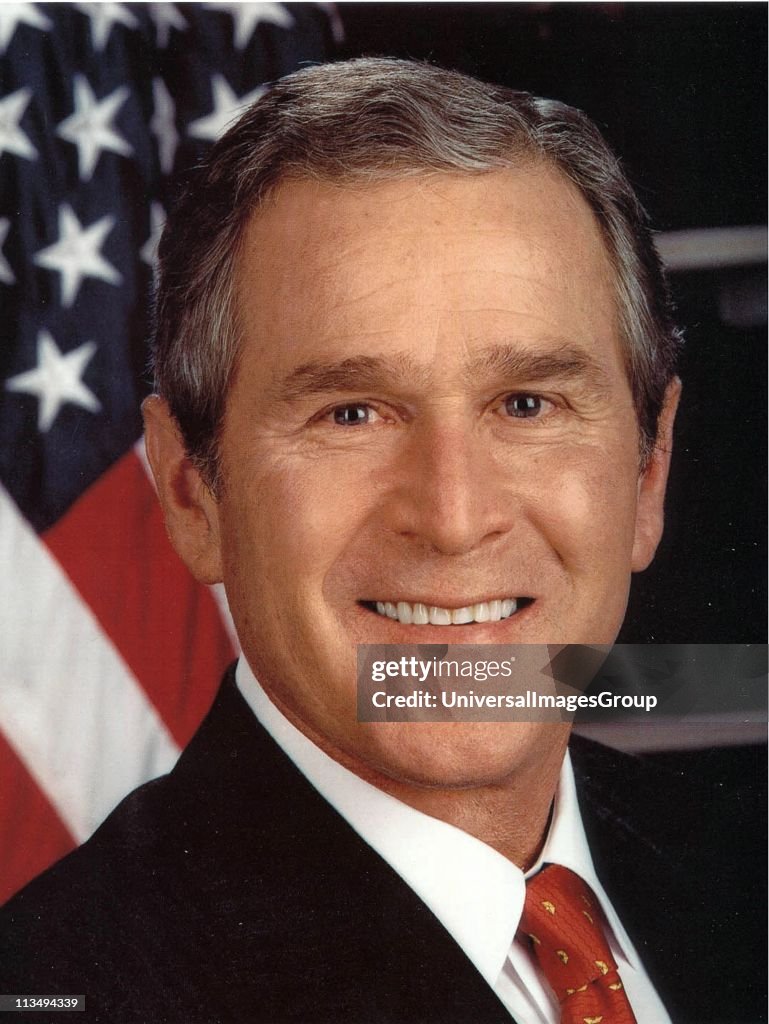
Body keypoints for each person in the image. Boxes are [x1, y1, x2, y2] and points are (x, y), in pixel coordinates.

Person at [0, 58, 762, 1024]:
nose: (451, 517)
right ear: (192, 490)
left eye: (526, 404)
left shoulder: (737, 879)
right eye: (350, 413)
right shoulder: (75, 987)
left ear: (648, 470)